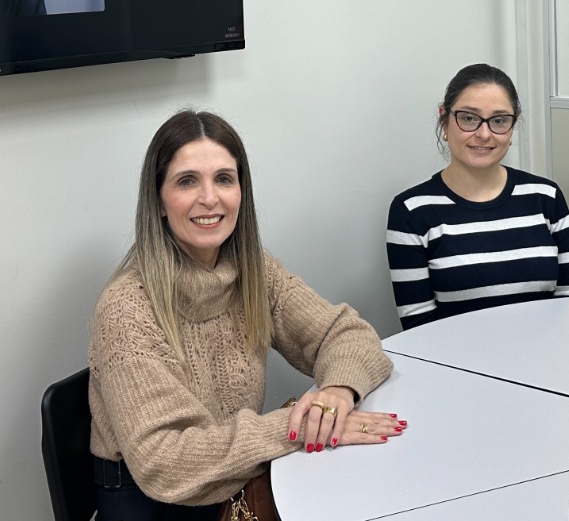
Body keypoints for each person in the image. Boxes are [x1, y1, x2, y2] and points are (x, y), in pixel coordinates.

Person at [89, 110, 403, 518]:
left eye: (224, 179)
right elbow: (163, 461)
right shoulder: (125, 307)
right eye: (187, 181)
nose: (210, 198)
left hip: (235, 480)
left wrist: (335, 396)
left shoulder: (255, 270)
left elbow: (345, 334)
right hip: (155, 502)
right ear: (159, 202)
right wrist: (298, 426)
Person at [387, 63, 569, 329]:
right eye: (469, 118)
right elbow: (419, 326)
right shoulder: (412, 211)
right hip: (459, 366)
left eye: (499, 121)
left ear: (512, 126)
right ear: (444, 119)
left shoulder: (545, 197)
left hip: (548, 358)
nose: (484, 134)